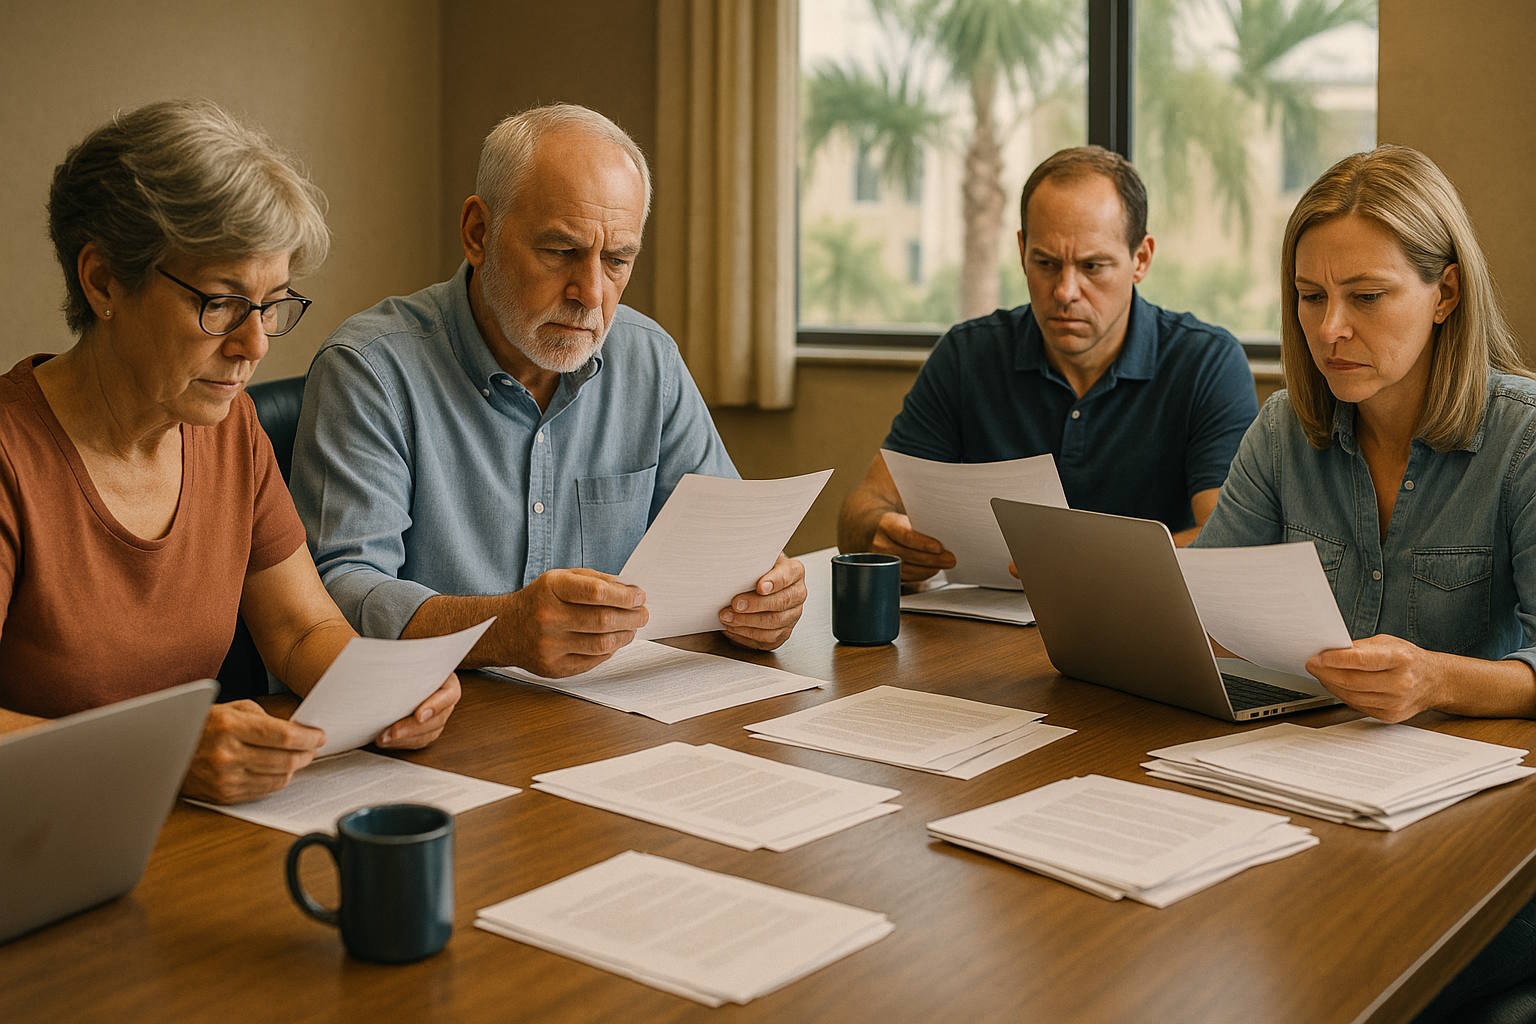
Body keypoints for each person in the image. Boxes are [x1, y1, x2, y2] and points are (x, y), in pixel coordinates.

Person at [0, 100, 460, 804]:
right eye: (220, 304)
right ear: (102, 282)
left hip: (191, 831)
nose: (255, 345)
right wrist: (162, 757)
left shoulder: (229, 428)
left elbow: (301, 628)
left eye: (272, 303)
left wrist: (386, 690)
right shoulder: (10, 457)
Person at [1194, 144, 1536, 1020]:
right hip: (1311, 800)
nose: (1330, 329)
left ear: (1446, 294)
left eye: (1367, 297)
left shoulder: (1522, 442)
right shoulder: (1284, 430)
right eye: (1311, 298)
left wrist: (1434, 678)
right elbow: (1209, 603)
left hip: (1479, 838)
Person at [289, 104, 806, 678]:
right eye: (561, 251)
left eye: (616, 260)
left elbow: (725, 550)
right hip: (432, 718)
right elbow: (337, 595)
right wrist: (500, 630)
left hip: (610, 721)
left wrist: (762, 600)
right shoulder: (369, 371)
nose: (590, 293)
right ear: (478, 233)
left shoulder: (648, 359)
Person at [838, 146, 1258, 582]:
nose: (1065, 291)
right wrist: (881, 534)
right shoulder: (967, 356)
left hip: (1140, 629)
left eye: (1093, 266)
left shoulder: (1207, 363)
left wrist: (1092, 562)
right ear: (1022, 250)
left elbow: (1227, 539)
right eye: (1046, 263)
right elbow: (864, 508)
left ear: (1141, 259)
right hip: (982, 630)